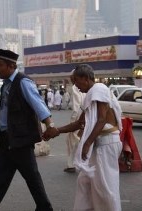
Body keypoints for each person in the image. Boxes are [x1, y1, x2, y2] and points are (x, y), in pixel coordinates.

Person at [0, 49, 57, 211]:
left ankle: (45, 208)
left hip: (20, 141)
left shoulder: (23, 82)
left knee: (32, 177)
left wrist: (50, 125)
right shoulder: (6, 85)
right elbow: (5, 111)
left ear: (11, 66)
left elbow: (39, 105)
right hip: (7, 142)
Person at [43, 64, 123, 211]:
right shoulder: (91, 94)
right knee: (85, 183)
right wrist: (56, 131)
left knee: (105, 189)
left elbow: (101, 120)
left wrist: (86, 144)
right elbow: (79, 123)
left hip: (106, 144)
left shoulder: (99, 89)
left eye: (76, 81)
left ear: (85, 78)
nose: (76, 86)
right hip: (99, 145)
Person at [64, 72, 86, 173]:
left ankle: (72, 164)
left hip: (79, 116)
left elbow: (76, 107)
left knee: (72, 140)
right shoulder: (83, 87)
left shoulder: (75, 88)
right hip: (83, 115)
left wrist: (73, 122)